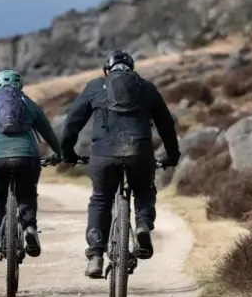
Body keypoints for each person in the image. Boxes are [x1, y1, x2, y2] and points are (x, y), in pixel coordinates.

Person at [60, 50, 180, 278]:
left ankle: (95, 255)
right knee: (143, 189)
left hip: (103, 155)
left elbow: (72, 122)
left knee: (100, 199)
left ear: (107, 71)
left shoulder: (96, 87)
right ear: (132, 71)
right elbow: (166, 126)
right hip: (139, 152)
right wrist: (172, 155)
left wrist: (67, 152)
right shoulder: (147, 88)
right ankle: (143, 224)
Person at [0, 69, 62, 261]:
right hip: (27, 157)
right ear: (20, 85)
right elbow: (48, 132)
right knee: (27, 192)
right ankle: (30, 227)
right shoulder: (28, 103)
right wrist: (58, 153)